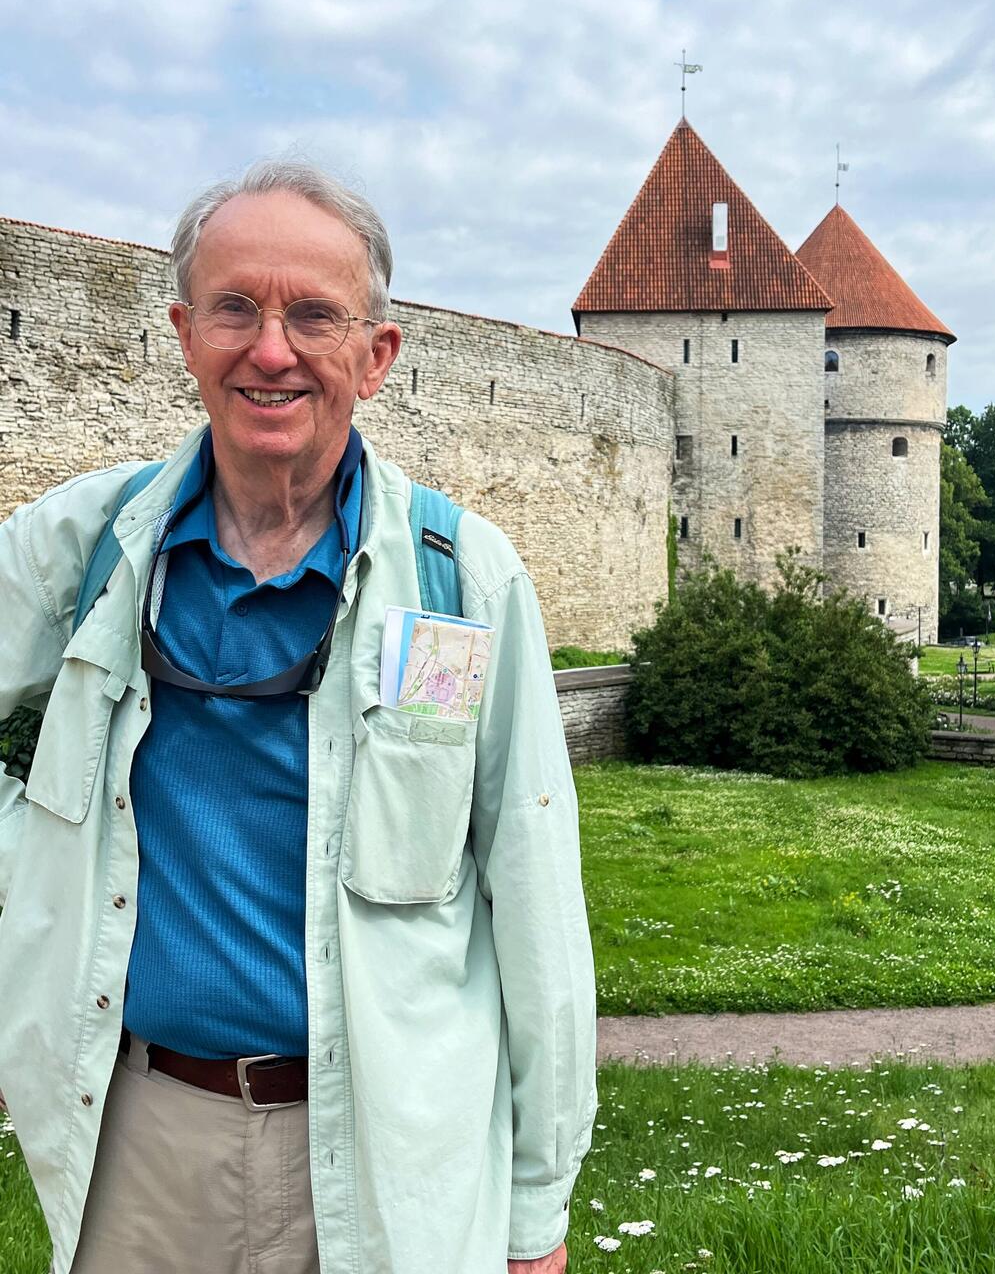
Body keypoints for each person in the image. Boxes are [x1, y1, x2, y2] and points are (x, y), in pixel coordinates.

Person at [0, 163, 597, 1274]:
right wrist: (29, 842)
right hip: (144, 1141)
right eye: (234, 307)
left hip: (392, 1146)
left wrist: (536, 1207)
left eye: (313, 314)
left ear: (376, 358)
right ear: (183, 335)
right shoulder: (91, 541)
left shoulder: (460, 579)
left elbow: (534, 890)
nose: (269, 349)